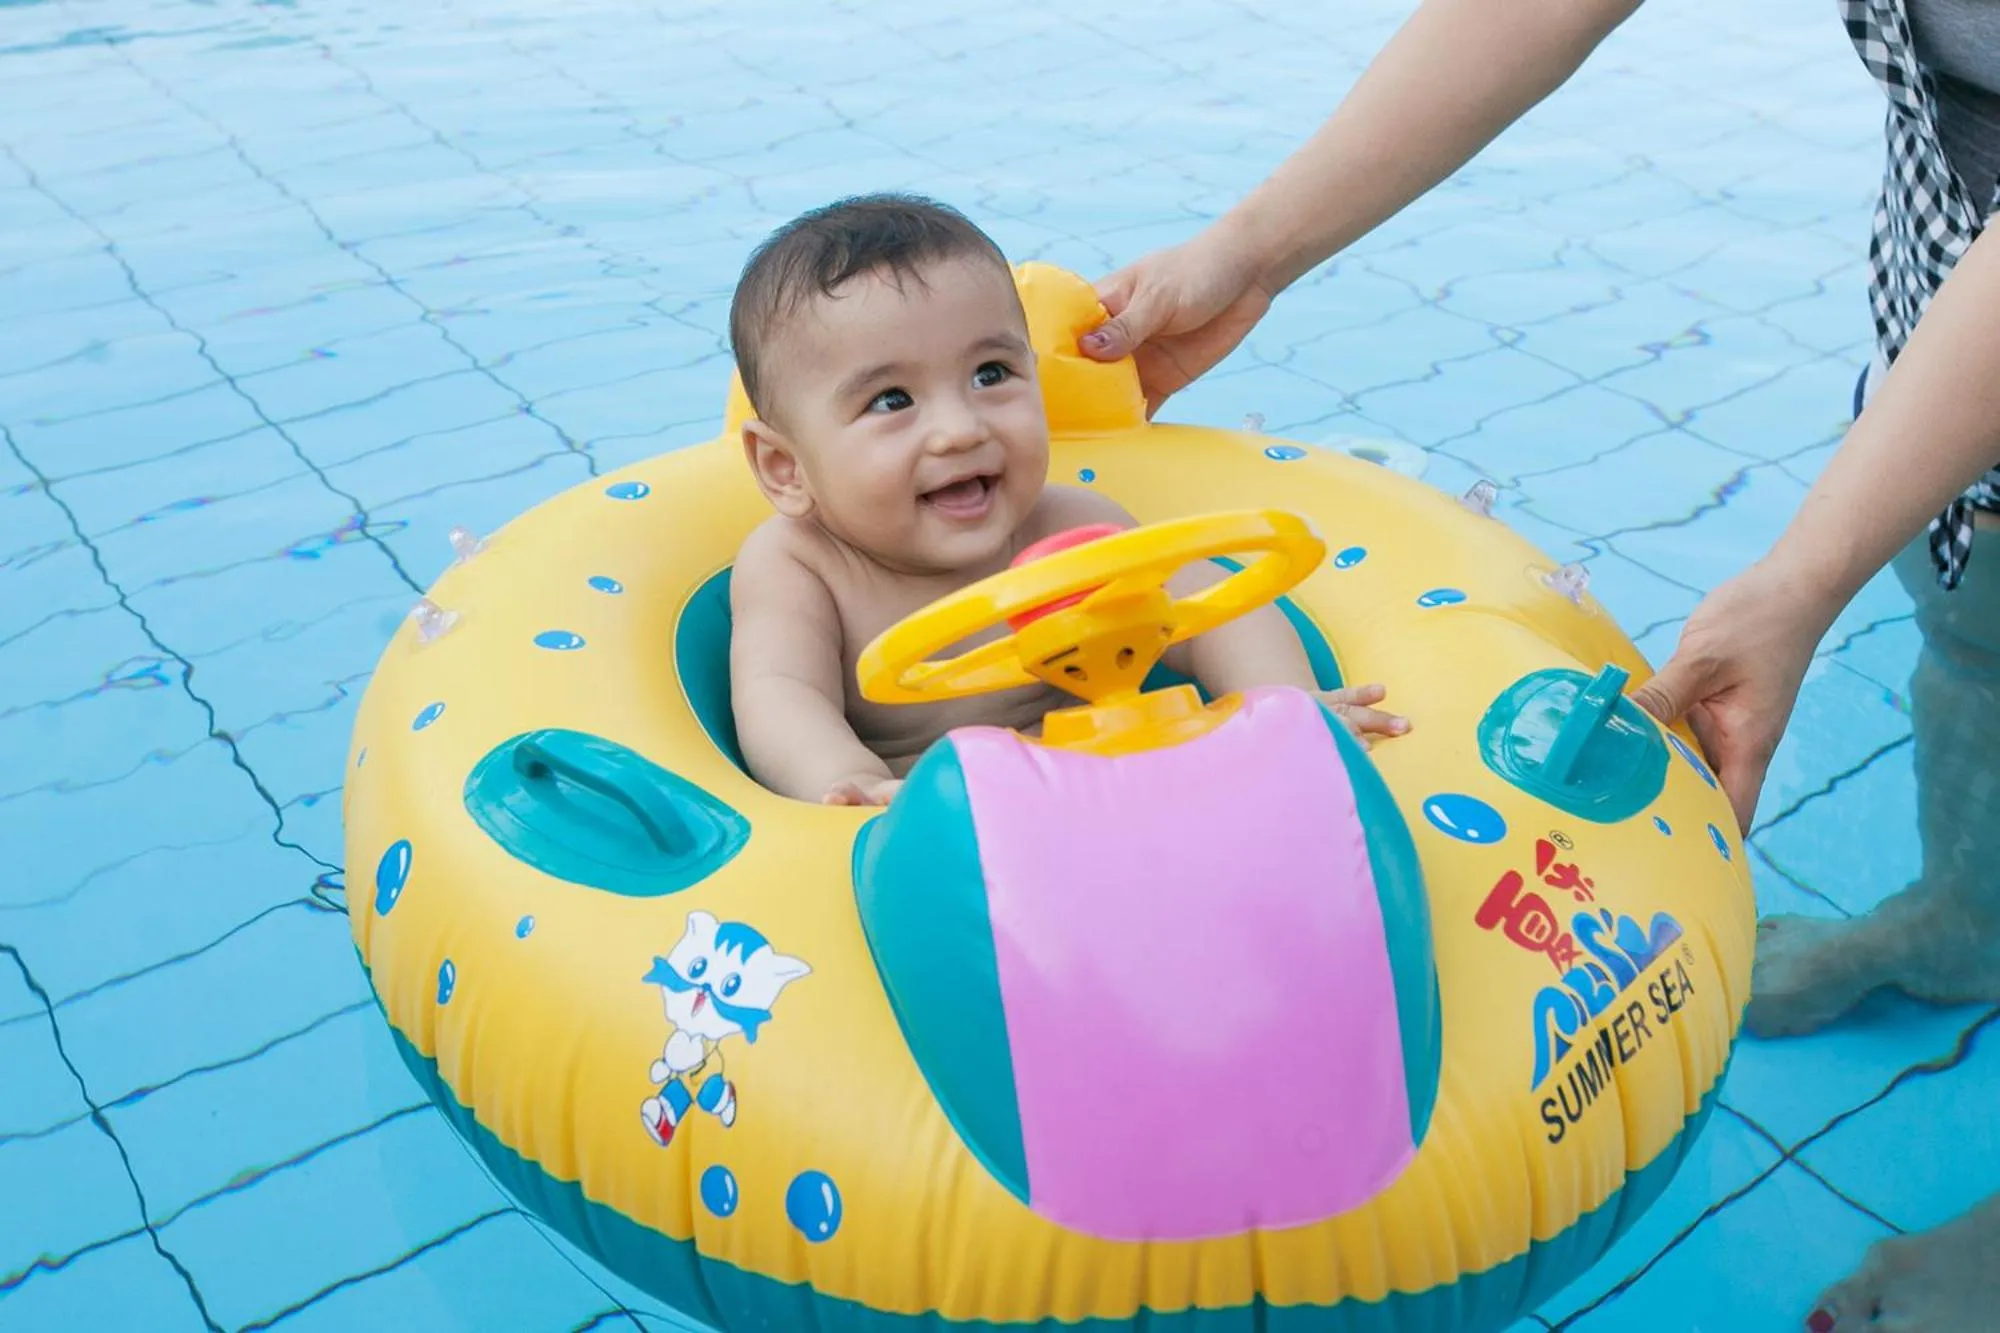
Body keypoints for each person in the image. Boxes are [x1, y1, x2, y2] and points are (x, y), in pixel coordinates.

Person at [1075, 1, 2000, 1327]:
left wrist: (1800, 576)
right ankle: (1968, 925)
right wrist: (1250, 251)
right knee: (1977, 635)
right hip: (1955, 323)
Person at [723, 193, 1406, 808]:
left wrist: (1282, 709)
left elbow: (1222, 615)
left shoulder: (1075, 526)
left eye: (991, 373)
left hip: (1120, 786)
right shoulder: (800, 566)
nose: (962, 428)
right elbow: (781, 695)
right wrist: (853, 781)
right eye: (891, 400)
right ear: (785, 467)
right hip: (943, 828)